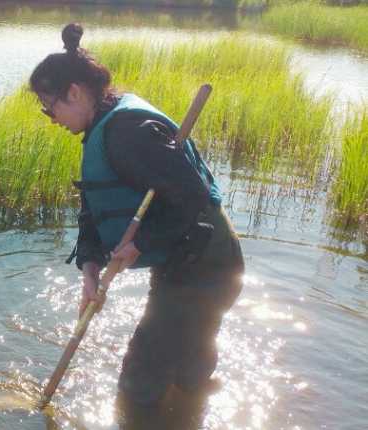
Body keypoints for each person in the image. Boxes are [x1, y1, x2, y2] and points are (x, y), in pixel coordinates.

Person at [28, 23, 245, 416]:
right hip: (189, 262)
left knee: (138, 384)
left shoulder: (128, 133)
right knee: (190, 374)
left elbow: (192, 198)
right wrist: (90, 269)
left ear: (74, 93)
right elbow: (94, 208)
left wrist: (139, 243)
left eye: (50, 106)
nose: (51, 118)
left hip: (206, 266)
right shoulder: (104, 125)